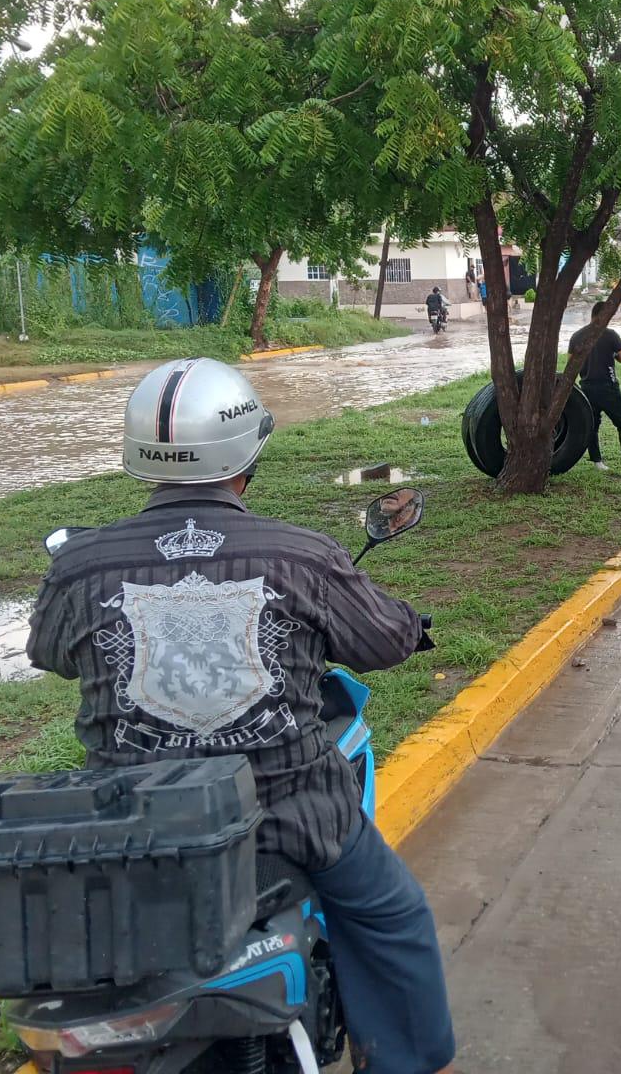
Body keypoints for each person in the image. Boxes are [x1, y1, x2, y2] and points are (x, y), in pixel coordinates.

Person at [25, 359, 455, 1074]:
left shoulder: (80, 564)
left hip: (133, 824)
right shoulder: (303, 556)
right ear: (246, 455)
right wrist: (414, 627)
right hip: (294, 819)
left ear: (142, 461)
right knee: (394, 917)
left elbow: (51, 654)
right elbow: (382, 638)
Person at [568, 301, 621, 474]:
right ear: (603, 315)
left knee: (592, 426)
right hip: (608, 387)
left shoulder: (576, 336)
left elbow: (570, 365)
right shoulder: (610, 335)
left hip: (586, 387)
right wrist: (614, 354)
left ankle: (597, 462)